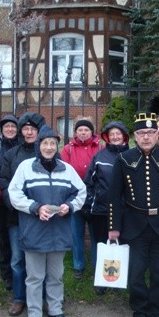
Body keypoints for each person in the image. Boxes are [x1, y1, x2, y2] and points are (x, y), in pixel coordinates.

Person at [108, 113, 159, 317]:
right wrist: (114, 226)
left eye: (151, 133)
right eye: (141, 133)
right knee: (136, 273)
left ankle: (156, 315)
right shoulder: (124, 159)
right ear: (134, 136)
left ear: (158, 134)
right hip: (134, 225)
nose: (146, 137)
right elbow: (114, 196)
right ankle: (139, 314)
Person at [9, 125, 86, 317]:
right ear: (38, 145)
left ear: (57, 145)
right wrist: (35, 208)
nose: (49, 147)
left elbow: (81, 192)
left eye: (53, 143)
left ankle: (55, 310)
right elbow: (14, 194)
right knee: (34, 277)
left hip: (59, 232)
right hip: (34, 231)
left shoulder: (66, 169)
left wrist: (69, 207)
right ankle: (34, 315)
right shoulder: (26, 168)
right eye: (45, 143)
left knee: (56, 275)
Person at [0, 112, 46, 317]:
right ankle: (19, 297)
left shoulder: (46, 152)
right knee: (17, 259)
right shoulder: (12, 155)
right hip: (16, 215)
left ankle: (40, 296)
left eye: (32, 129)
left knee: (38, 258)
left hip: (40, 217)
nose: (28, 132)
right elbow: (3, 180)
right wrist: (13, 203)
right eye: (25, 129)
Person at [82, 120, 130, 295]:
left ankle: (120, 280)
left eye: (118, 134)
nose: (115, 137)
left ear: (124, 136)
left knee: (122, 245)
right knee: (101, 245)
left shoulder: (132, 155)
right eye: (112, 134)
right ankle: (101, 280)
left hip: (126, 211)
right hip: (101, 210)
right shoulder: (100, 157)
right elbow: (89, 182)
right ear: (107, 137)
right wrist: (88, 205)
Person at [60, 118, 103, 279]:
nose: (83, 132)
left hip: (95, 197)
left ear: (92, 132)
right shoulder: (68, 149)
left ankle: (97, 266)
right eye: (80, 130)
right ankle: (78, 265)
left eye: (86, 130)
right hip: (74, 197)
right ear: (75, 132)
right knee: (76, 233)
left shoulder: (100, 147)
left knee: (95, 234)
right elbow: (63, 171)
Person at [0, 114, 19, 291]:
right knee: (4, 237)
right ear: (1, 130)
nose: (10, 129)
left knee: (18, 236)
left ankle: (19, 273)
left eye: (13, 127)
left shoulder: (21, 148)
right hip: (1, 200)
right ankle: (6, 273)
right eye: (6, 127)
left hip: (18, 200)